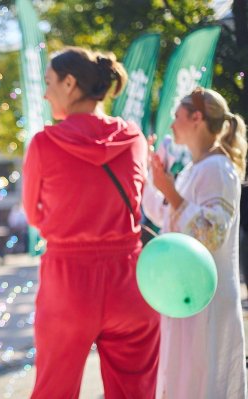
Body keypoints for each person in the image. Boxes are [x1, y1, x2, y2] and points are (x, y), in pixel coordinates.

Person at [22, 47, 160, 398]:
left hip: (68, 283)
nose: (45, 91)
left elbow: (35, 216)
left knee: (54, 390)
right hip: (131, 282)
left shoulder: (44, 143)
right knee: (135, 391)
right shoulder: (134, 139)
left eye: (50, 82)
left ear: (70, 83)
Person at [143, 87, 247, 398]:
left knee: (203, 380)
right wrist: (154, 178)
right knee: (187, 379)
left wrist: (172, 193)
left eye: (176, 116)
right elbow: (164, 214)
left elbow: (212, 234)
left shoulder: (219, 168)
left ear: (197, 118)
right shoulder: (195, 168)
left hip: (207, 298)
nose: (172, 124)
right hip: (188, 295)